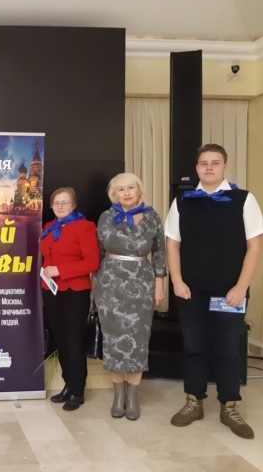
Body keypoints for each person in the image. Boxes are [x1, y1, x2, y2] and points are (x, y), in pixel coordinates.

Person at [165, 144, 263, 439]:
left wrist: (241, 286)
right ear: (197, 167)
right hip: (191, 291)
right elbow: (173, 244)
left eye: (215, 162)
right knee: (194, 346)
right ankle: (193, 401)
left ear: (225, 167)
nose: (208, 167)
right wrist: (177, 281)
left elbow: (256, 246)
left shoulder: (243, 199)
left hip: (230, 291)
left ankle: (229, 405)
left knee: (227, 348)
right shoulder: (182, 201)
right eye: (203, 163)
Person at [93, 172, 166, 420]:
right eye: (120, 189)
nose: (126, 193)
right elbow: (98, 252)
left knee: (139, 338)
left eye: (130, 188)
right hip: (110, 285)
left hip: (142, 284)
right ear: (114, 194)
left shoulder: (153, 217)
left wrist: (159, 284)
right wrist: (95, 284)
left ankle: (133, 395)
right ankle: (118, 395)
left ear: (139, 191)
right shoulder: (106, 217)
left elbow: (160, 253)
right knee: (113, 339)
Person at [40, 187, 99, 411]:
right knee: (60, 339)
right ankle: (68, 384)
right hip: (51, 290)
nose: (60, 206)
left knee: (74, 340)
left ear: (73, 205)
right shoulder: (48, 226)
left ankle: (77, 390)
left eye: (64, 202)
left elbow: (92, 262)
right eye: (56, 203)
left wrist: (60, 270)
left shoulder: (85, 227)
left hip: (75, 290)